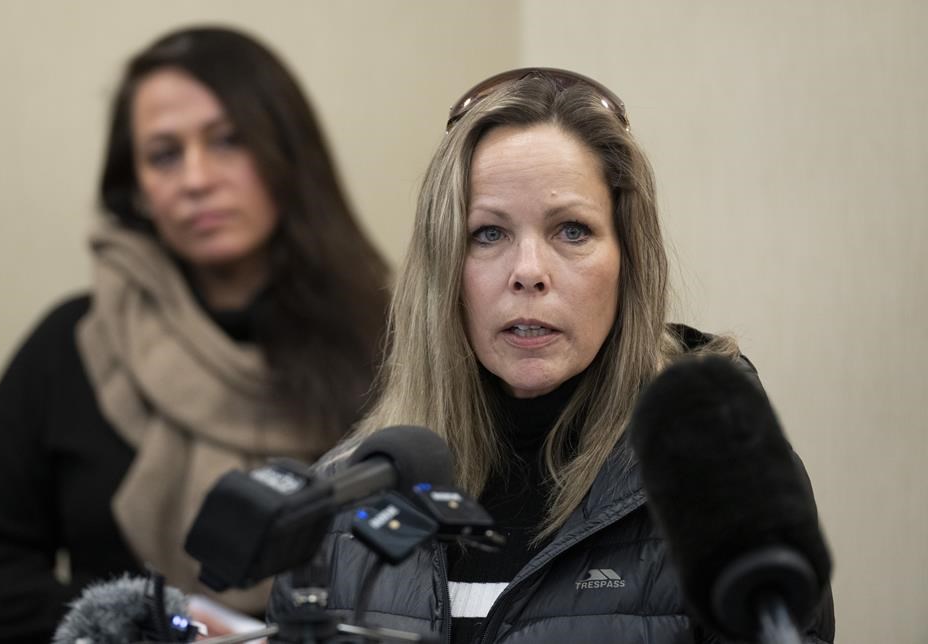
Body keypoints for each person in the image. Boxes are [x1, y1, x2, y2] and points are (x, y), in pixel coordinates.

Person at [267, 69, 835, 642]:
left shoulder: (719, 478)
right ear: (445, 267)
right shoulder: (344, 501)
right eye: (488, 234)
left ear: (629, 261)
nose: (529, 273)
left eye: (571, 230)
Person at [0, 26, 389, 644]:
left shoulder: (386, 342)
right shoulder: (69, 346)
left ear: (288, 157)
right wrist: (140, 628)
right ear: (139, 190)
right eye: (164, 154)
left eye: (229, 141)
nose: (196, 178)